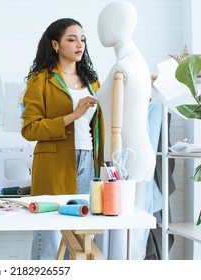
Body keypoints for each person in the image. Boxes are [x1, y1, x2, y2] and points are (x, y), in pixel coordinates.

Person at [21, 18, 105, 260]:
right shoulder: (41, 80)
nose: (79, 44)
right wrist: (72, 115)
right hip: (53, 164)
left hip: (88, 161)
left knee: (82, 232)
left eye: (83, 39)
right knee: (47, 230)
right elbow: (30, 129)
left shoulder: (93, 81)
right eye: (71, 39)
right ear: (55, 44)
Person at [94, 1, 156, 260]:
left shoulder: (122, 68)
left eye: (103, 21)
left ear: (115, 24)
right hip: (128, 155)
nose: (99, 30)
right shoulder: (136, 61)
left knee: (126, 236)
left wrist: (114, 161)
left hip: (124, 158)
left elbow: (117, 126)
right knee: (129, 233)